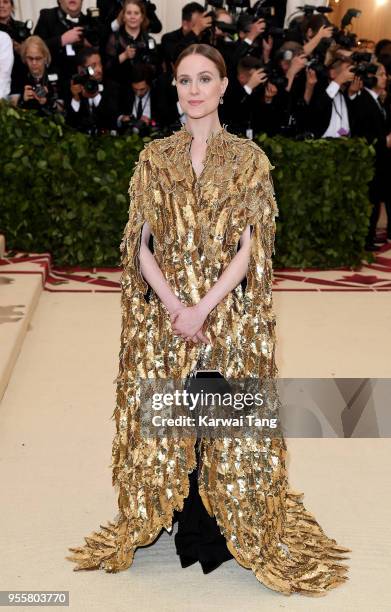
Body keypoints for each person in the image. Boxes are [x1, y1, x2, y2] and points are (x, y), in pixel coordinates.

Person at [66, 43, 351, 596]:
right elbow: (140, 243)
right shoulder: (154, 159)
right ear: (175, 89)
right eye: (184, 80)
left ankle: (224, 516)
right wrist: (176, 306)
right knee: (174, 405)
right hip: (167, 317)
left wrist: (204, 307)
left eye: (204, 79)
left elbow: (251, 248)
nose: (193, 90)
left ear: (224, 86)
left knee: (222, 406)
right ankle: (179, 506)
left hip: (228, 312)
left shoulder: (249, 161)